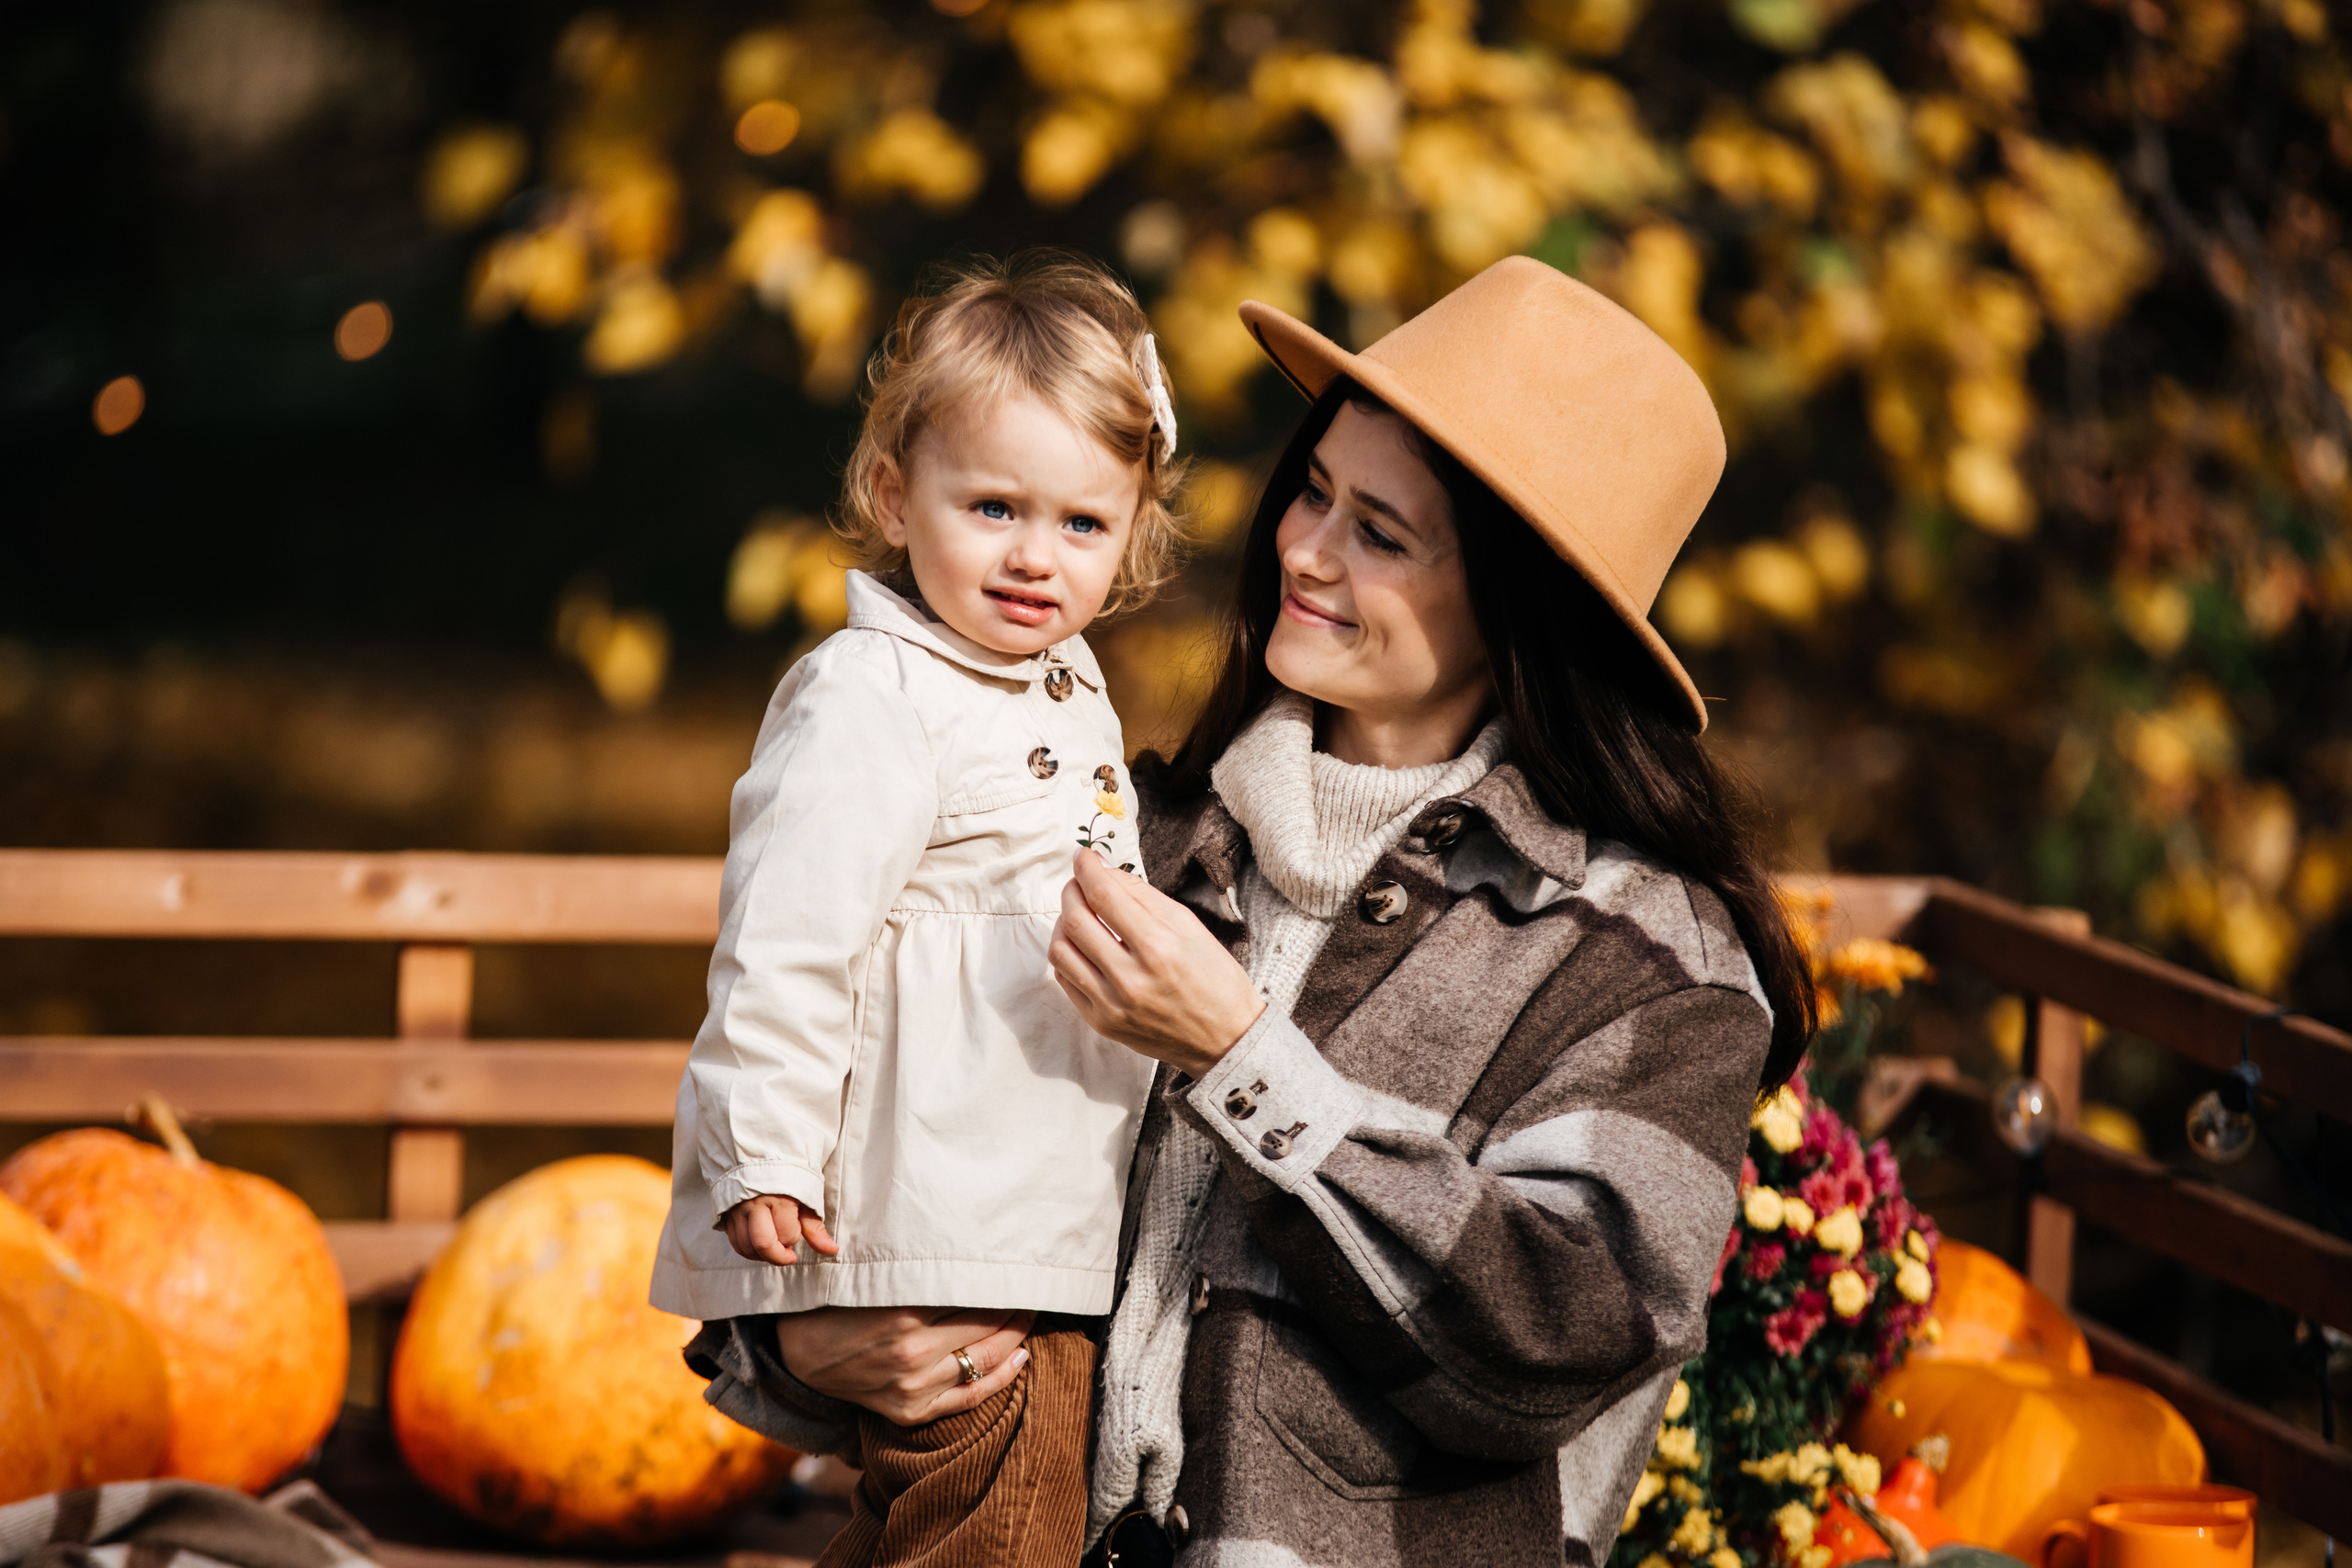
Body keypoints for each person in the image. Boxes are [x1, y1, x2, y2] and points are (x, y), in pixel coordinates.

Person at [727, 257, 1816, 1568]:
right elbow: (878, 1095)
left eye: (1382, 534)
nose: (1303, 548)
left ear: (1521, 611)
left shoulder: (1651, 962)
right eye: (1315, 491)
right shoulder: (1141, 829)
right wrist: (802, 1337)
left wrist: (1246, 1061)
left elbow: (1552, 1343)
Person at [650, 252, 1186, 1568]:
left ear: (1130, 541)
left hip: (1024, 1222)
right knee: (992, 1533)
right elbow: (787, 942)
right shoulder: (870, 695)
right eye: (992, 506)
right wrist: (760, 1153)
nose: (1032, 557)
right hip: (936, 1229)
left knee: (932, 1529)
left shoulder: (1062, 685)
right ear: (896, 494)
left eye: (1081, 525)